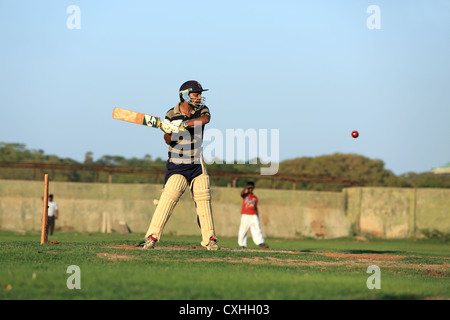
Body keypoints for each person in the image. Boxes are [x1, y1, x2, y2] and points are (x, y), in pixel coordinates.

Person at [141, 80, 218, 250]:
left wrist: (183, 124)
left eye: (199, 94)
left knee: (203, 198)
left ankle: (210, 239)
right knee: (169, 198)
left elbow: (205, 120)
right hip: (177, 163)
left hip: (197, 162)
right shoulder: (171, 114)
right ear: (185, 95)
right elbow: (168, 140)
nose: (199, 97)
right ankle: (152, 237)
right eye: (196, 94)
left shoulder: (201, 110)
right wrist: (170, 131)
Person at [238, 182, 269, 249]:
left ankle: (260, 243)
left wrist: (257, 216)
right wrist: (246, 188)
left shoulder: (255, 197)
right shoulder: (245, 195)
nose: (250, 189)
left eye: (251, 188)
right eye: (249, 188)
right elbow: (241, 194)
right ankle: (242, 244)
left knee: (257, 228)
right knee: (243, 229)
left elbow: (255, 207)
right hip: (245, 214)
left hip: (253, 215)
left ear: (253, 188)